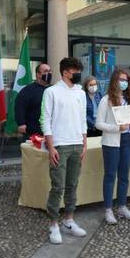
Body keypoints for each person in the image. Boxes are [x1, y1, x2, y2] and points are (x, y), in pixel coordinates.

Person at [41, 57, 88, 244]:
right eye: (75, 70)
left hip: (77, 143)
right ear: (66, 72)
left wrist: (84, 143)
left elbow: (83, 118)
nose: (78, 74)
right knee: (58, 186)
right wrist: (50, 146)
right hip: (59, 144)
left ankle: (69, 219)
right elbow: (45, 119)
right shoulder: (51, 92)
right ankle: (53, 223)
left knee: (72, 184)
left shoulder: (80, 93)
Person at [95, 69, 130, 224]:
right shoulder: (106, 100)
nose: (124, 82)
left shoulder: (129, 99)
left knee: (124, 176)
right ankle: (108, 209)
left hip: (128, 141)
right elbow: (98, 123)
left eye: (126, 80)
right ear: (114, 81)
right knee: (110, 176)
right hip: (112, 143)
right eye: (121, 79)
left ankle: (121, 206)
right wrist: (116, 128)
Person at [15, 62, 52, 137]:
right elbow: (20, 107)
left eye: (50, 71)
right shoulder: (27, 91)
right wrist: (21, 123)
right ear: (38, 74)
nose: (49, 73)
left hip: (51, 132)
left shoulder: (53, 90)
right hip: (33, 133)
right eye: (45, 71)